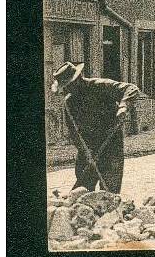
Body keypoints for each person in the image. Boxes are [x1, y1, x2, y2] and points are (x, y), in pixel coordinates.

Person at [51, 62, 139, 194]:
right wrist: (85, 152)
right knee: (83, 190)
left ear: (79, 79)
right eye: (65, 87)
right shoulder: (69, 103)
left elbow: (131, 89)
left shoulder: (100, 85)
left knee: (109, 190)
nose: (68, 90)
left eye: (70, 85)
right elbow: (74, 133)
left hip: (111, 145)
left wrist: (123, 106)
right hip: (88, 147)